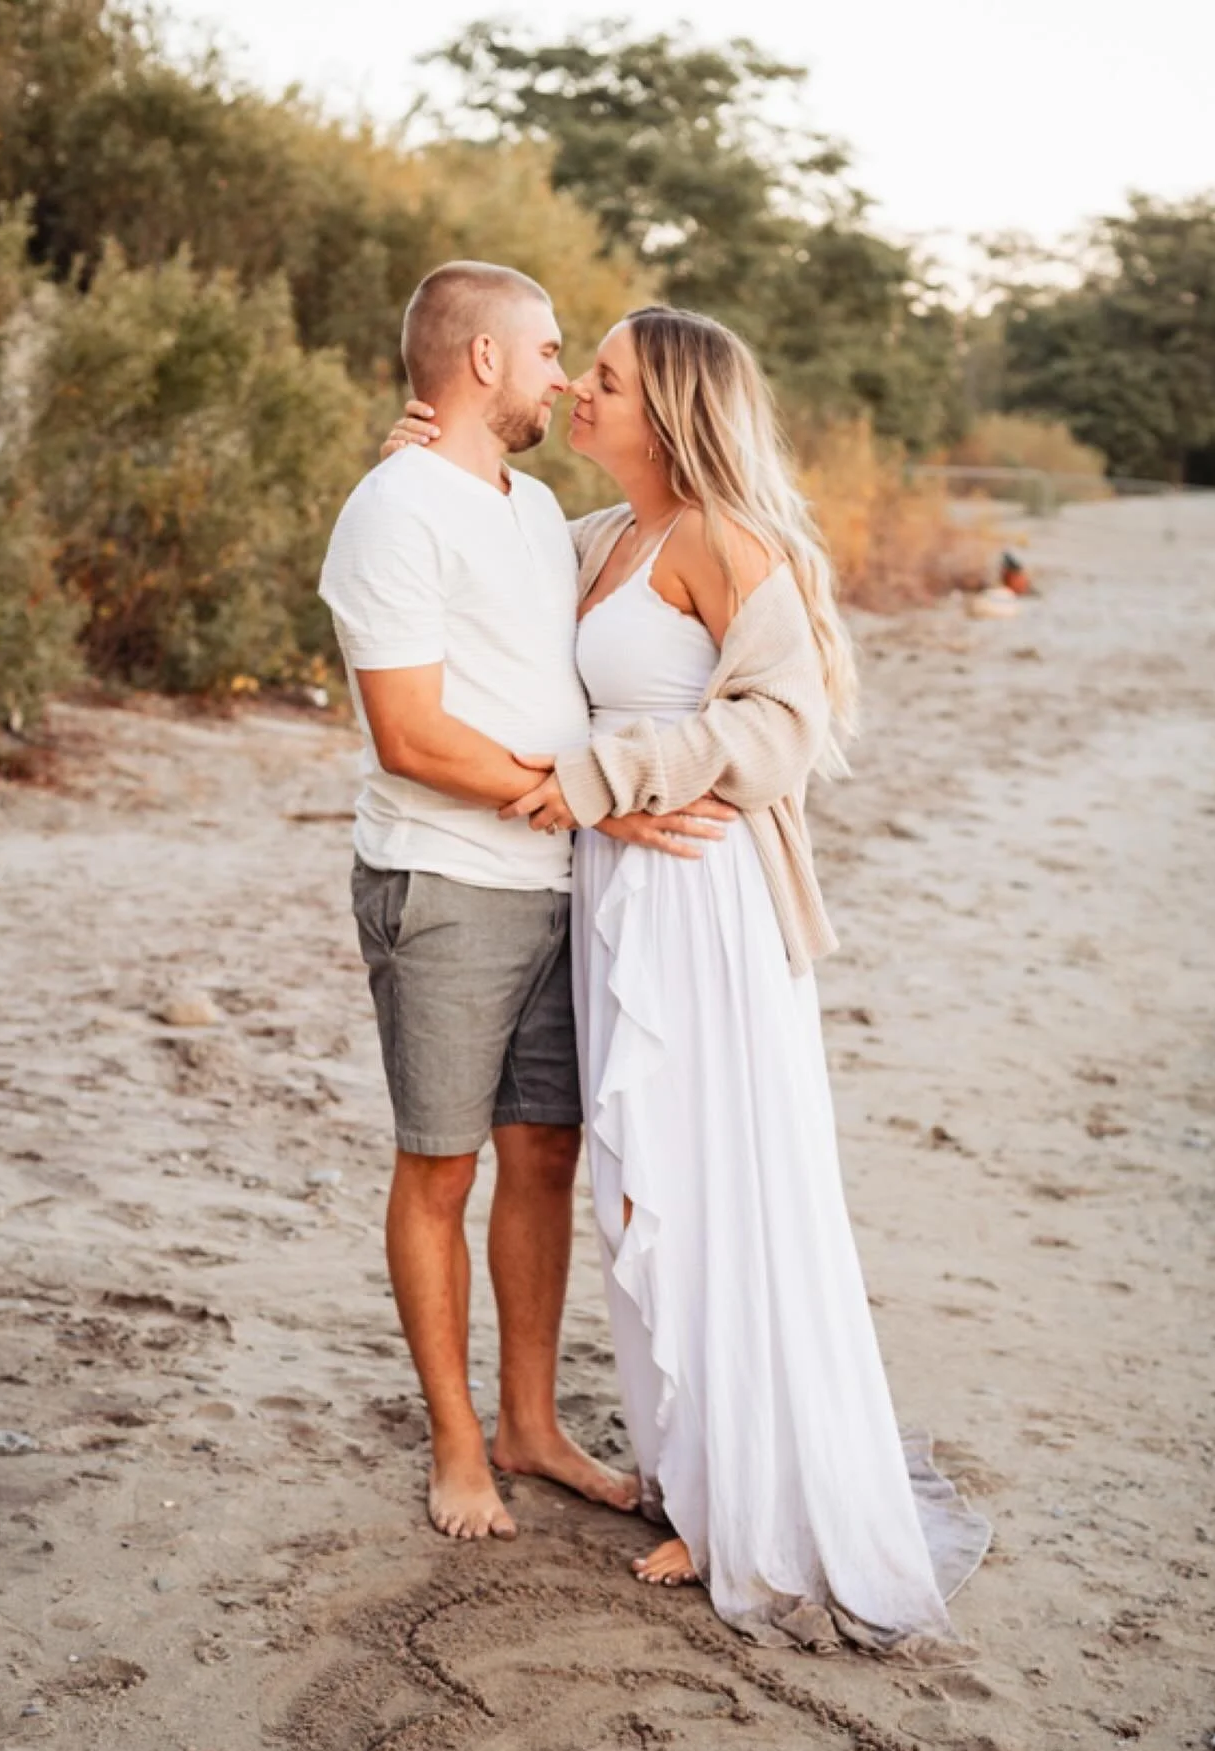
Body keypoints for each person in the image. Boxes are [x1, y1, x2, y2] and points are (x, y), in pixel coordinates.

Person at [378, 302, 990, 1657]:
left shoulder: (726, 539)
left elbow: (781, 728)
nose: (582, 392)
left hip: (703, 896)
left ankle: (739, 1508)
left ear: (669, 411)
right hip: (613, 894)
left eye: (604, 378)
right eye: (576, 370)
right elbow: (477, 578)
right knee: (641, 1177)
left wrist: (603, 783)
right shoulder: (597, 540)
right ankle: (697, 1468)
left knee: (712, 1182)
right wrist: (429, 455)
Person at [317, 263, 733, 1545]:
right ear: (482, 362)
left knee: (542, 1153)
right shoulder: (391, 514)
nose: (564, 376)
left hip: (558, 884)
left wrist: (589, 815)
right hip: (444, 885)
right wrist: (593, 800)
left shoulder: (535, 502)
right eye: (550, 352)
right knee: (438, 1165)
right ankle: (457, 1442)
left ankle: (531, 1423)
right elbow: (410, 736)